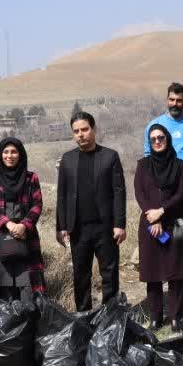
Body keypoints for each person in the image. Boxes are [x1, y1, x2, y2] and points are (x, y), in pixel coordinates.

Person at [56, 111, 127, 311]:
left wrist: (119, 224)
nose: (81, 134)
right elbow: (61, 194)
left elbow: (119, 192)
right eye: (76, 131)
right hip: (78, 228)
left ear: (93, 129)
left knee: (109, 273)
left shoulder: (110, 156)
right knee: (80, 275)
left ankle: (110, 316)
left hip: (105, 227)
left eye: (85, 129)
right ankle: (83, 317)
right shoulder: (68, 159)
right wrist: (61, 227)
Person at [0, 138, 46, 305]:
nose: (9, 156)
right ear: (0, 155)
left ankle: (28, 318)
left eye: (14, 152)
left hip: (25, 235)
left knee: (26, 281)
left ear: (20, 154)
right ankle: (5, 322)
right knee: (1, 280)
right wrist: (7, 223)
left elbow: (37, 205)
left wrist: (24, 225)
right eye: (6, 152)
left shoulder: (31, 178)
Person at [134, 123, 183, 328]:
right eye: (153, 139)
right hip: (150, 226)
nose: (157, 141)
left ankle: (176, 316)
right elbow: (139, 193)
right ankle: (155, 317)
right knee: (153, 273)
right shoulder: (142, 165)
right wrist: (153, 217)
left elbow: (181, 193)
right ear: (149, 143)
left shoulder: (180, 165)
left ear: (167, 139)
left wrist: (162, 211)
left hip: (172, 224)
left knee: (175, 272)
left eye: (161, 138)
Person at [143, 82, 183, 182]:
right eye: (172, 100)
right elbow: (148, 154)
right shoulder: (153, 126)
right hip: (163, 179)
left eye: (179, 100)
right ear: (167, 100)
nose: (175, 104)